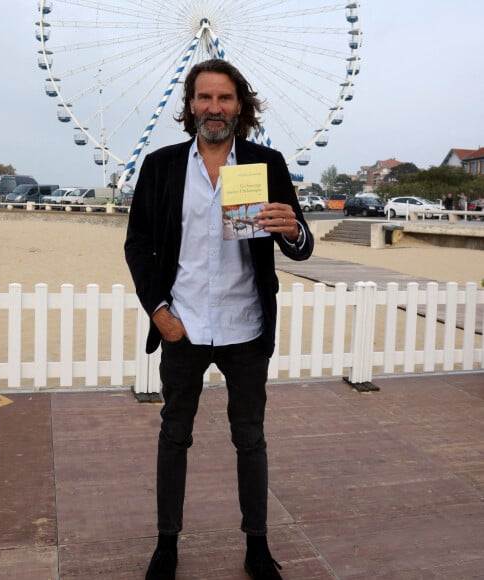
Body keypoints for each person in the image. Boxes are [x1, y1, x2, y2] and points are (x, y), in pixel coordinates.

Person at [125, 59, 314, 580]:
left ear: (240, 106)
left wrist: (292, 229)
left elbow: (298, 246)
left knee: (249, 436)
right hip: (182, 326)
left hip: (246, 327)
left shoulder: (266, 164)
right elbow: (138, 244)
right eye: (205, 98)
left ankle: (257, 544)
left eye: (224, 99)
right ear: (190, 105)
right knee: (174, 434)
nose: (214, 108)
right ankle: (167, 544)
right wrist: (158, 310)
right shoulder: (161, 166)